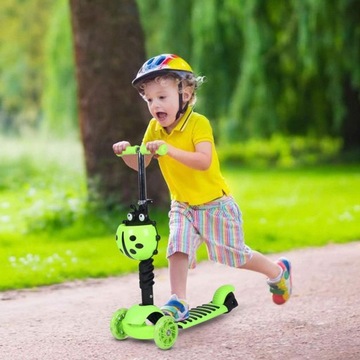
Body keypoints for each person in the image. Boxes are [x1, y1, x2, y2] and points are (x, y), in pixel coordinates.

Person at [113, 54, 292, 322]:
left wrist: (169, 150)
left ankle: (277, 272)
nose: (154, 105)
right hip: (182, 204)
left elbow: (203, 161)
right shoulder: (155, 128)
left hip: (215, 205)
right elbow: (142, 164)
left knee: (235, 256)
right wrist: (126, 152)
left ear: (185, 93)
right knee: (177, 247)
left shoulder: (199, 124)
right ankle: (178, 300)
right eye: (149, 100)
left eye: (162, 97)